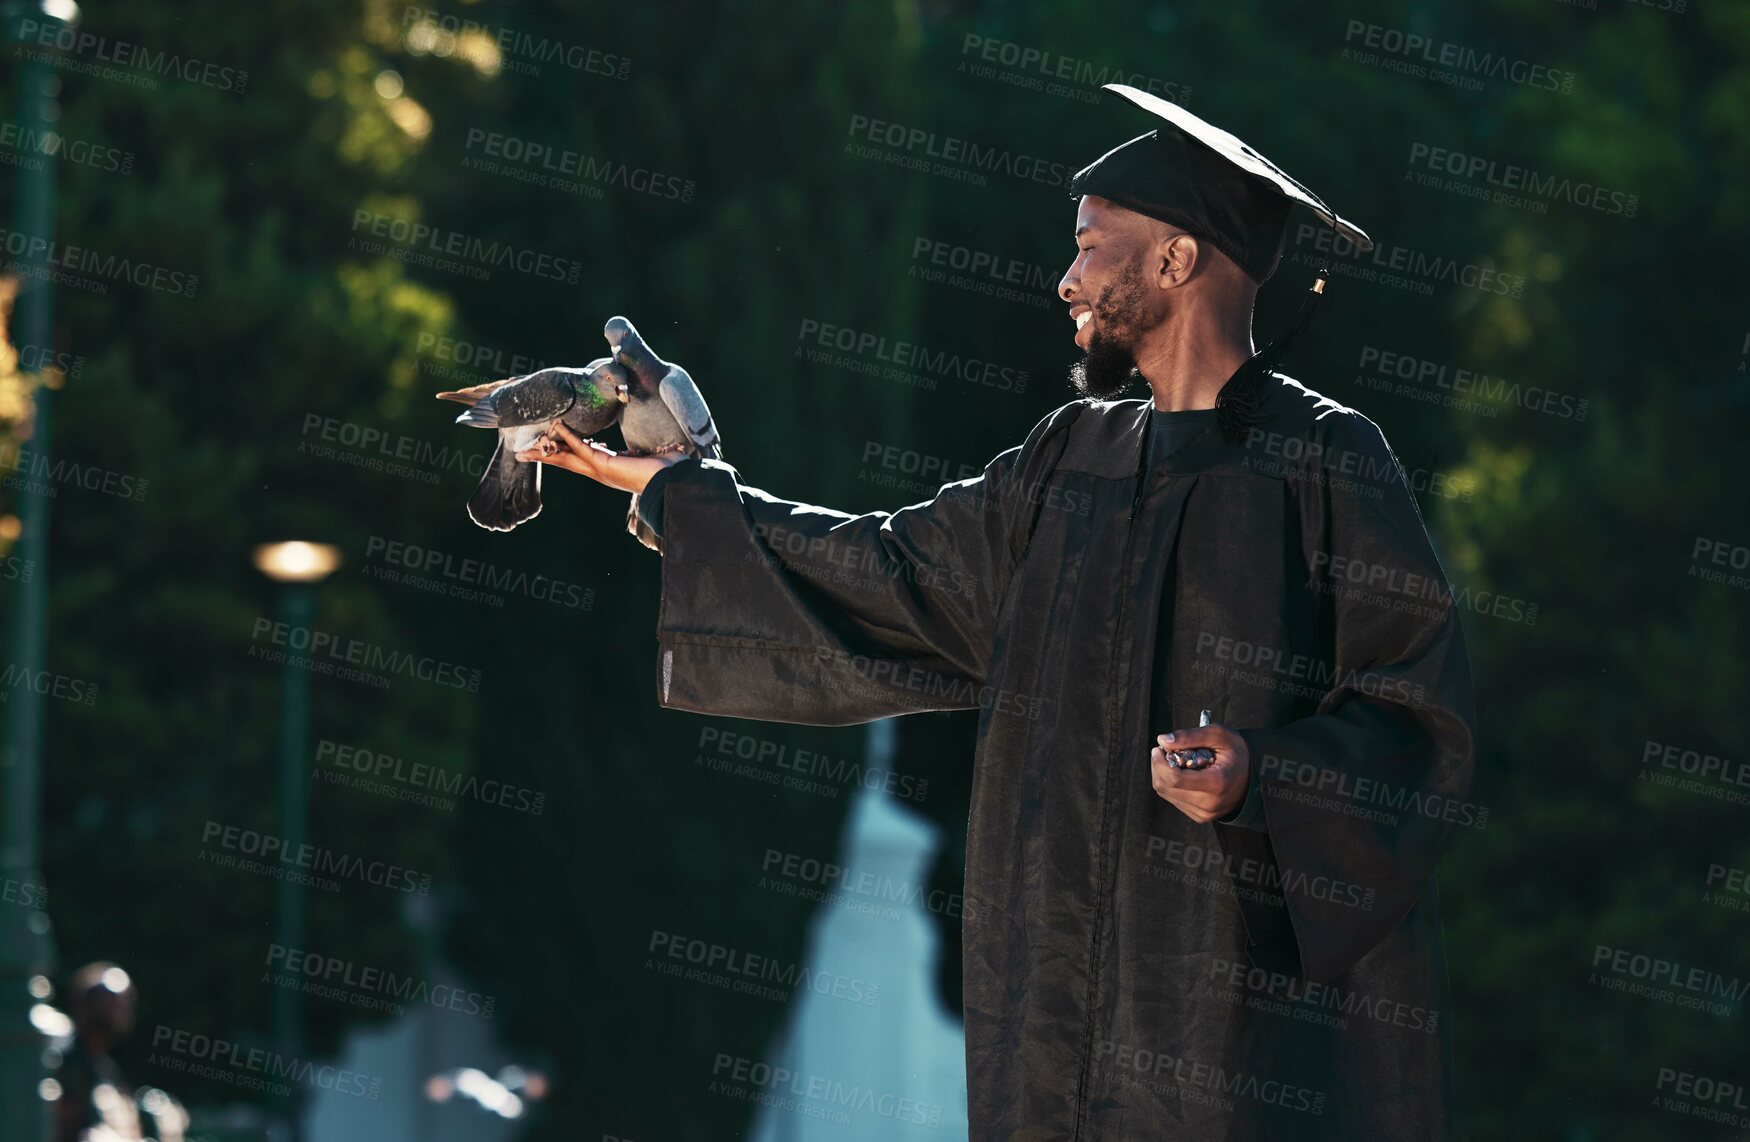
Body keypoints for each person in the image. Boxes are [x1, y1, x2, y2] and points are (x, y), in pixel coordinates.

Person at [523, 85, 1476, 1141]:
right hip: (1049, 1013)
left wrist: (1261, 773)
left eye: (1090, 246)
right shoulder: (1070, 460)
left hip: (1220, 1026)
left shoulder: (1326, 461)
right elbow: (891, 571)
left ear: (1173, 261)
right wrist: (682, 492)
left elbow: (1416, 720)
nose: (1064, 278)